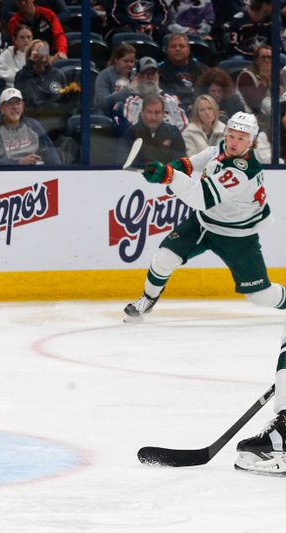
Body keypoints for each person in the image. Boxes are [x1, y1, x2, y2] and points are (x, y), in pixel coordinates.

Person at [125, 112, 286, 474]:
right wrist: (170, 167)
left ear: (252, 142)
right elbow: (190, 163)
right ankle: (147, 299)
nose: (233, 141)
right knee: (164, 255)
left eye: (241, 138)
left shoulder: (241, 171)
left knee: (260, 297)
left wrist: (167, 177)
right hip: (204, 226)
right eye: (230, 134)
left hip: (237, 237)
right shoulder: (219, 152)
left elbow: (200, 196)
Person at [0, 87, 61, 165]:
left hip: (36, 171)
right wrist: (18, 162)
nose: (15, 107)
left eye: (18, 103)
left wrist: (59, 171)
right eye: (10, 103)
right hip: (8, 172)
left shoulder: (33, 124)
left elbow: (50, 152)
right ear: (2, 109)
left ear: (23, 106)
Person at [14, 39, 68, 139]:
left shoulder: (58, 74)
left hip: (55, 120)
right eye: (38, 50)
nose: (42, 52)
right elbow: (24, 97)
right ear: (31, 54)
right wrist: (30, 64)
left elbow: (65, 101)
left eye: (44, 49)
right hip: (33, 120)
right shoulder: (23, 75)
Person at [118, 94, 186, 167]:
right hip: (138, 176)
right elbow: (123, 161)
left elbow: (180, 161)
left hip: (168, 175)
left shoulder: (173, 132)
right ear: (142, 113)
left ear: (163, 114)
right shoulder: (131, 133)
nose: (153, 117)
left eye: (157, 112)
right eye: (149, 112)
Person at [157, 33, 207, 111]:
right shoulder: (158, 72)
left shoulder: (202, 69)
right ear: (167, 50)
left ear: (188, 49)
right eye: (173, 46)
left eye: (181, 46)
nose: (177, 49)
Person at [94, 42, 136, 115]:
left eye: (132, 62)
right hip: (107, 116)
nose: (130, 65)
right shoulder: (104, 75)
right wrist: (126, 90)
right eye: (125, 61)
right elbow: (103, 103)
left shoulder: (135, 76)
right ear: (116, 60)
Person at [0, 23, 32, 87]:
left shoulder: (35, 53)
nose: (26, 40)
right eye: (22, 37)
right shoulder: (8, 53)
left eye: (29, 37)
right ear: (15, 40)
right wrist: (15, 74)